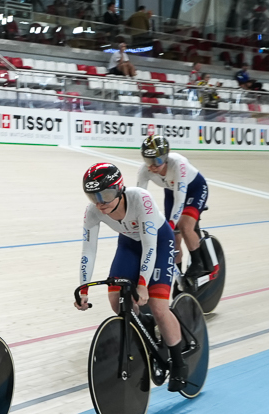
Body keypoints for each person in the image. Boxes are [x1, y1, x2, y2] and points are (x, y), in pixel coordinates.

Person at [74, 162, 191, 389]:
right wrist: (83, 288)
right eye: (93, 196)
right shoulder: (92, 211)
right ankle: (144, 324)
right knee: (116, 302)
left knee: (158, 307)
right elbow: (88, 250)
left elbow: (150, 247)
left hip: (159, 241)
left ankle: (179, 362)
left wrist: (143, 284)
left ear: (119, 189)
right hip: (128, 244)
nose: (100, 202)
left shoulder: (141, 199)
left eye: (106, 194)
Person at [141, 136, 210, 280]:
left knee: (184, 226)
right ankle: (179, 280)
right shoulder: (144, 171)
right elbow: (139, 199)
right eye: (148, 161)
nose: (152, 166)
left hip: (194, 189)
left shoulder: (178, 164)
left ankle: (198, 263)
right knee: (173, 239)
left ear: (166, 158)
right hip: (172, 192)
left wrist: (171, 224)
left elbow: (180, 200)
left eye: (157, 161)